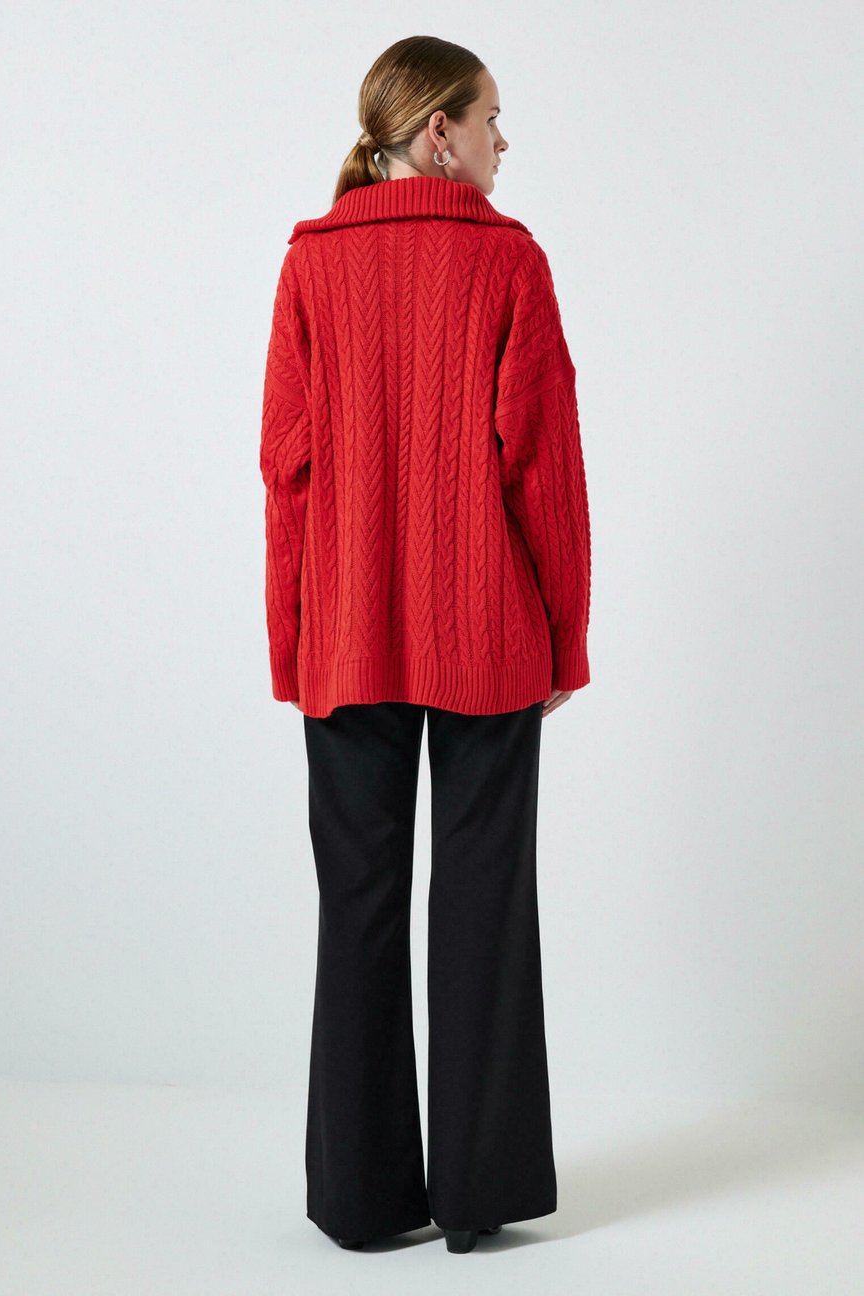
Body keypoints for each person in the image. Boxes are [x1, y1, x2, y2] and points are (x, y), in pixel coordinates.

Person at [258, 36, 592, 1254]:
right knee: (484, 905)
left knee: (358, 909)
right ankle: (477, 1196)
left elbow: (285, 472)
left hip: (346, 641)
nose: (506, 139)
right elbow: (543, 466)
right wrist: (565, 635)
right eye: (493, 116)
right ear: (438, 133)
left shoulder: (312, 263)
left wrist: (293, 639)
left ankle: (361, 1202)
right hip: (488, 636)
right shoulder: (507, 261)